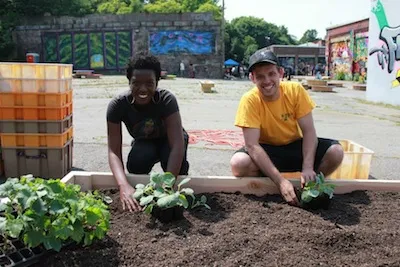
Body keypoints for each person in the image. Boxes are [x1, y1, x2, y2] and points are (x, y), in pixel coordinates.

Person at [230, 49, 344, 206]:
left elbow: (309, 131)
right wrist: (280, 181)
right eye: (260, 77)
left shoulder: (295, 90)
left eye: (271, 74)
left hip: (294, 146)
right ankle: (268, 185)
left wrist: (308, 166)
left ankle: (310, 187)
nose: (267, 81)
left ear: (280, 73)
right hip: (267, 150)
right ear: (252, 78)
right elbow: (252, 145)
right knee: (238, 164)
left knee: (336, 152)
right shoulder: (249, 100)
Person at [107, 53, 189, 212]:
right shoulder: (117, 105)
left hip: (170, 141)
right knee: (136, 164)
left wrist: (166, 189)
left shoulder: (166, 100)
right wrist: (124, 185)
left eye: (149, 83)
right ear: (129, 82)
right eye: (136, 83)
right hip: (144, 141)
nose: (143, 89)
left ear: (157, 82)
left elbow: (177, 145)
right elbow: (113, 151)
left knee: (174, 166)